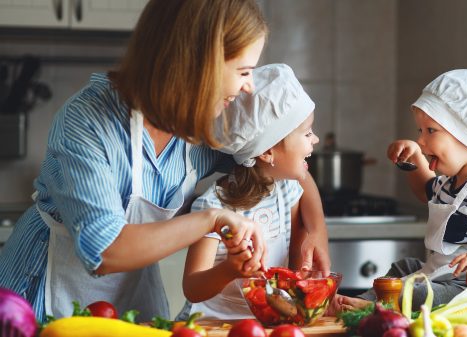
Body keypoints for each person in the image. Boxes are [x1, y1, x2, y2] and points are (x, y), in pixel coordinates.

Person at [0, 0, 329, 322]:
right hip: (41, 301)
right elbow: (105, 250)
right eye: (243, 71)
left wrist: (313, 231)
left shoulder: (201, 127)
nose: (248, 87)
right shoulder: (87, 122)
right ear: (201, 62)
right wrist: (211, 219)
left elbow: (275, 163)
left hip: (133, 301)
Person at [333, 69, 467, 311]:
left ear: (466, 134)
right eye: (419, 131)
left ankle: (369, 307)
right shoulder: (449, 181)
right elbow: (425, 190)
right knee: (402, 268)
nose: (421, 140)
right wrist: (414, 158)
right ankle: (362, 301)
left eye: (430, 131)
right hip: (441, 272)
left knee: (421, 293)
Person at [177, 63, 319, 320]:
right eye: (307, 133)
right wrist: (231, 269)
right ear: (267, 152)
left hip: (265, 324)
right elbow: (192, 287)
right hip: (212, 327)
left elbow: (296, 257)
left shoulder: (287, 191)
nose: (315, 140)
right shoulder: (214, 208)